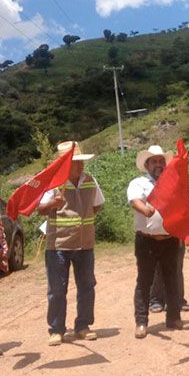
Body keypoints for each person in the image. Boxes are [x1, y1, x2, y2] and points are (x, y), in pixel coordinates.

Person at [37, 141, 104, 346]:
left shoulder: (90, 181)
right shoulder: (53, 184)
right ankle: (57, 329)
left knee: (86, 286)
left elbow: (97, 205)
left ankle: (83, 326)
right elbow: (40, 209)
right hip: (58, 245)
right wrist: (51, 204)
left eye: (80, 162)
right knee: (57, 289)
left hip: (85, 244)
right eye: (75, 162)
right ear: (64, 164)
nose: (80, 166)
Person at [127, 145, 189, 339]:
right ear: (147, 165)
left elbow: (186, 208)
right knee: (144, 281)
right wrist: (145, 210)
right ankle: (141, 322)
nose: (158, 165)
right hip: (146, 241)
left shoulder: (175, 183)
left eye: (161, 161)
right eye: (154, 161)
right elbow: (134, 200)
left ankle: (173, 318)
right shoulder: (139, 183)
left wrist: (185, 233)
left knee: (172, 280)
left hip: (170, 240)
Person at [149, 241, 189, 313]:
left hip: (177, 238)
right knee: (158, 269)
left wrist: (187, 236)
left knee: (176, 269)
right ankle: (156, 301)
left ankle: (178, 300)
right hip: (156, 237)